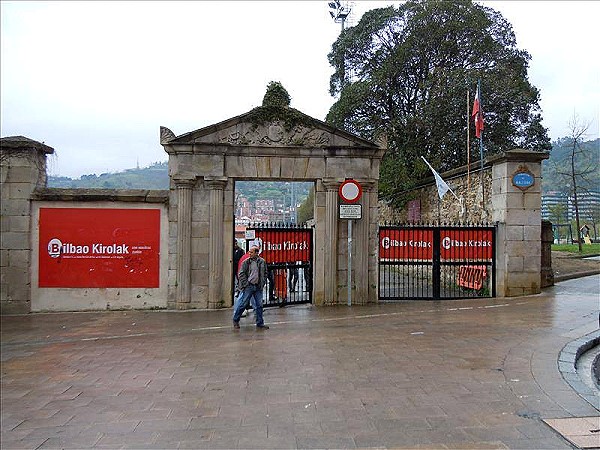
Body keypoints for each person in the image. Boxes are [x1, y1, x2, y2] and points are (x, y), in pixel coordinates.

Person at [233, 246, 269, 329]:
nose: (249, 254)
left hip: (257, 286)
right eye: (249, 252)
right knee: (243, 303)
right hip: (249, 286)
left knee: (259, 305)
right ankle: (236, 319)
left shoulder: (262, 262)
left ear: (257, 253)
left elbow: (265, 273)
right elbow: (241, 274)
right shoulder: (246, 262)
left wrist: (262, 282)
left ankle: (260, 323)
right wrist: (246, 284)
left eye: (251, 252)